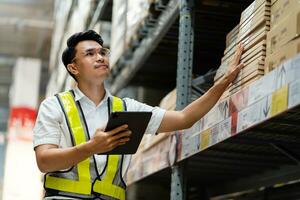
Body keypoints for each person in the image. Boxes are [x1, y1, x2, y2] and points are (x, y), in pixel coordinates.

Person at [33, 30, 244, 200]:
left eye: (102, 52)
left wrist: (224, 82)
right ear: (73, 67)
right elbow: (44, 161)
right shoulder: (54, 106)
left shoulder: (127, 108)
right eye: (90, 54)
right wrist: (91, 147)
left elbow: (184, 119)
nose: (100, 57)